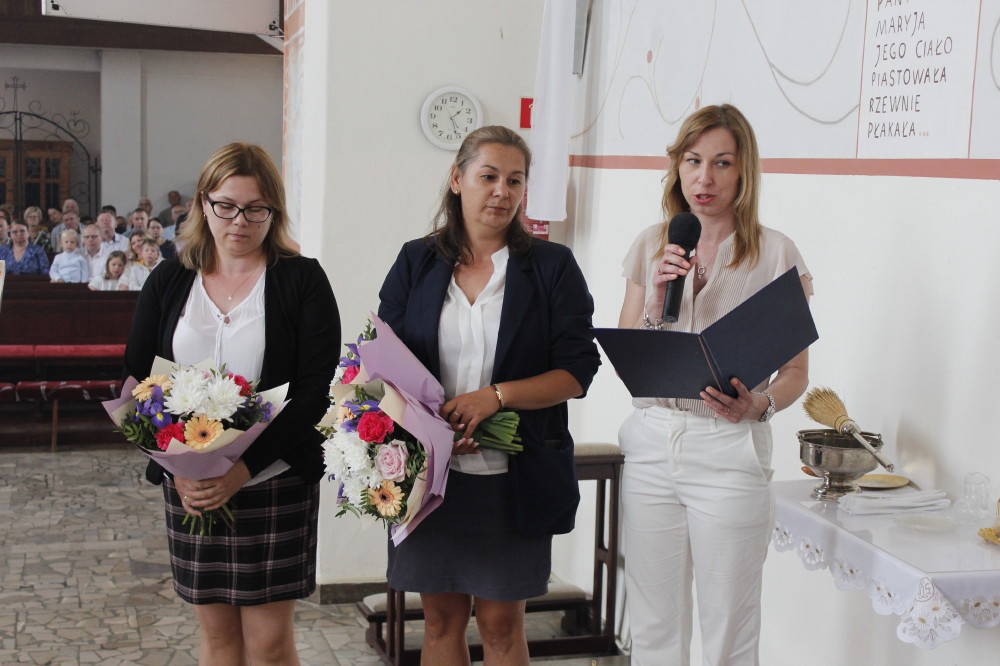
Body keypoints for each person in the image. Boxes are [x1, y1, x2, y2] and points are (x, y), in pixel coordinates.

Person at [378, 125, 601, 665]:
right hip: (431, 477)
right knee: (439, 621)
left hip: (514, 477)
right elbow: (386, 361)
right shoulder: (415, 261)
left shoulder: (551, 267)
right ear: (457, 180)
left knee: (501, 626)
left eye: (515, 180)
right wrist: (430, 432)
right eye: (489, 176)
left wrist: (495, 396)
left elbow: (578, 370)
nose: (502, 191)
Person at [123, 142, 340, 665]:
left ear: (274, 212)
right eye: (226, 205)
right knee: (219, 641)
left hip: (274, 478)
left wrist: (242, 470)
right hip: (192, 485)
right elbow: (137, 381)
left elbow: (313, 391)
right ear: (203, 204)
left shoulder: (301, 279)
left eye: (255, 209)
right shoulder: (170, 278)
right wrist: (177, 468)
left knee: (269, 646)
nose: (239, 221)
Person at [616, 104, 812, 666]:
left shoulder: (776, 252)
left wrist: (759, 405)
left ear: (744, 171)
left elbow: (796, 373)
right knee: (653, 625)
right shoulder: (652, 244)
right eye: (693, 161)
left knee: (730, 628)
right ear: (676, 166)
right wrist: (656, 299)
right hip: (652, 444)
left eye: (722, 163)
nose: (705, 178)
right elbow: (628, 352)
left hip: (729, 449)